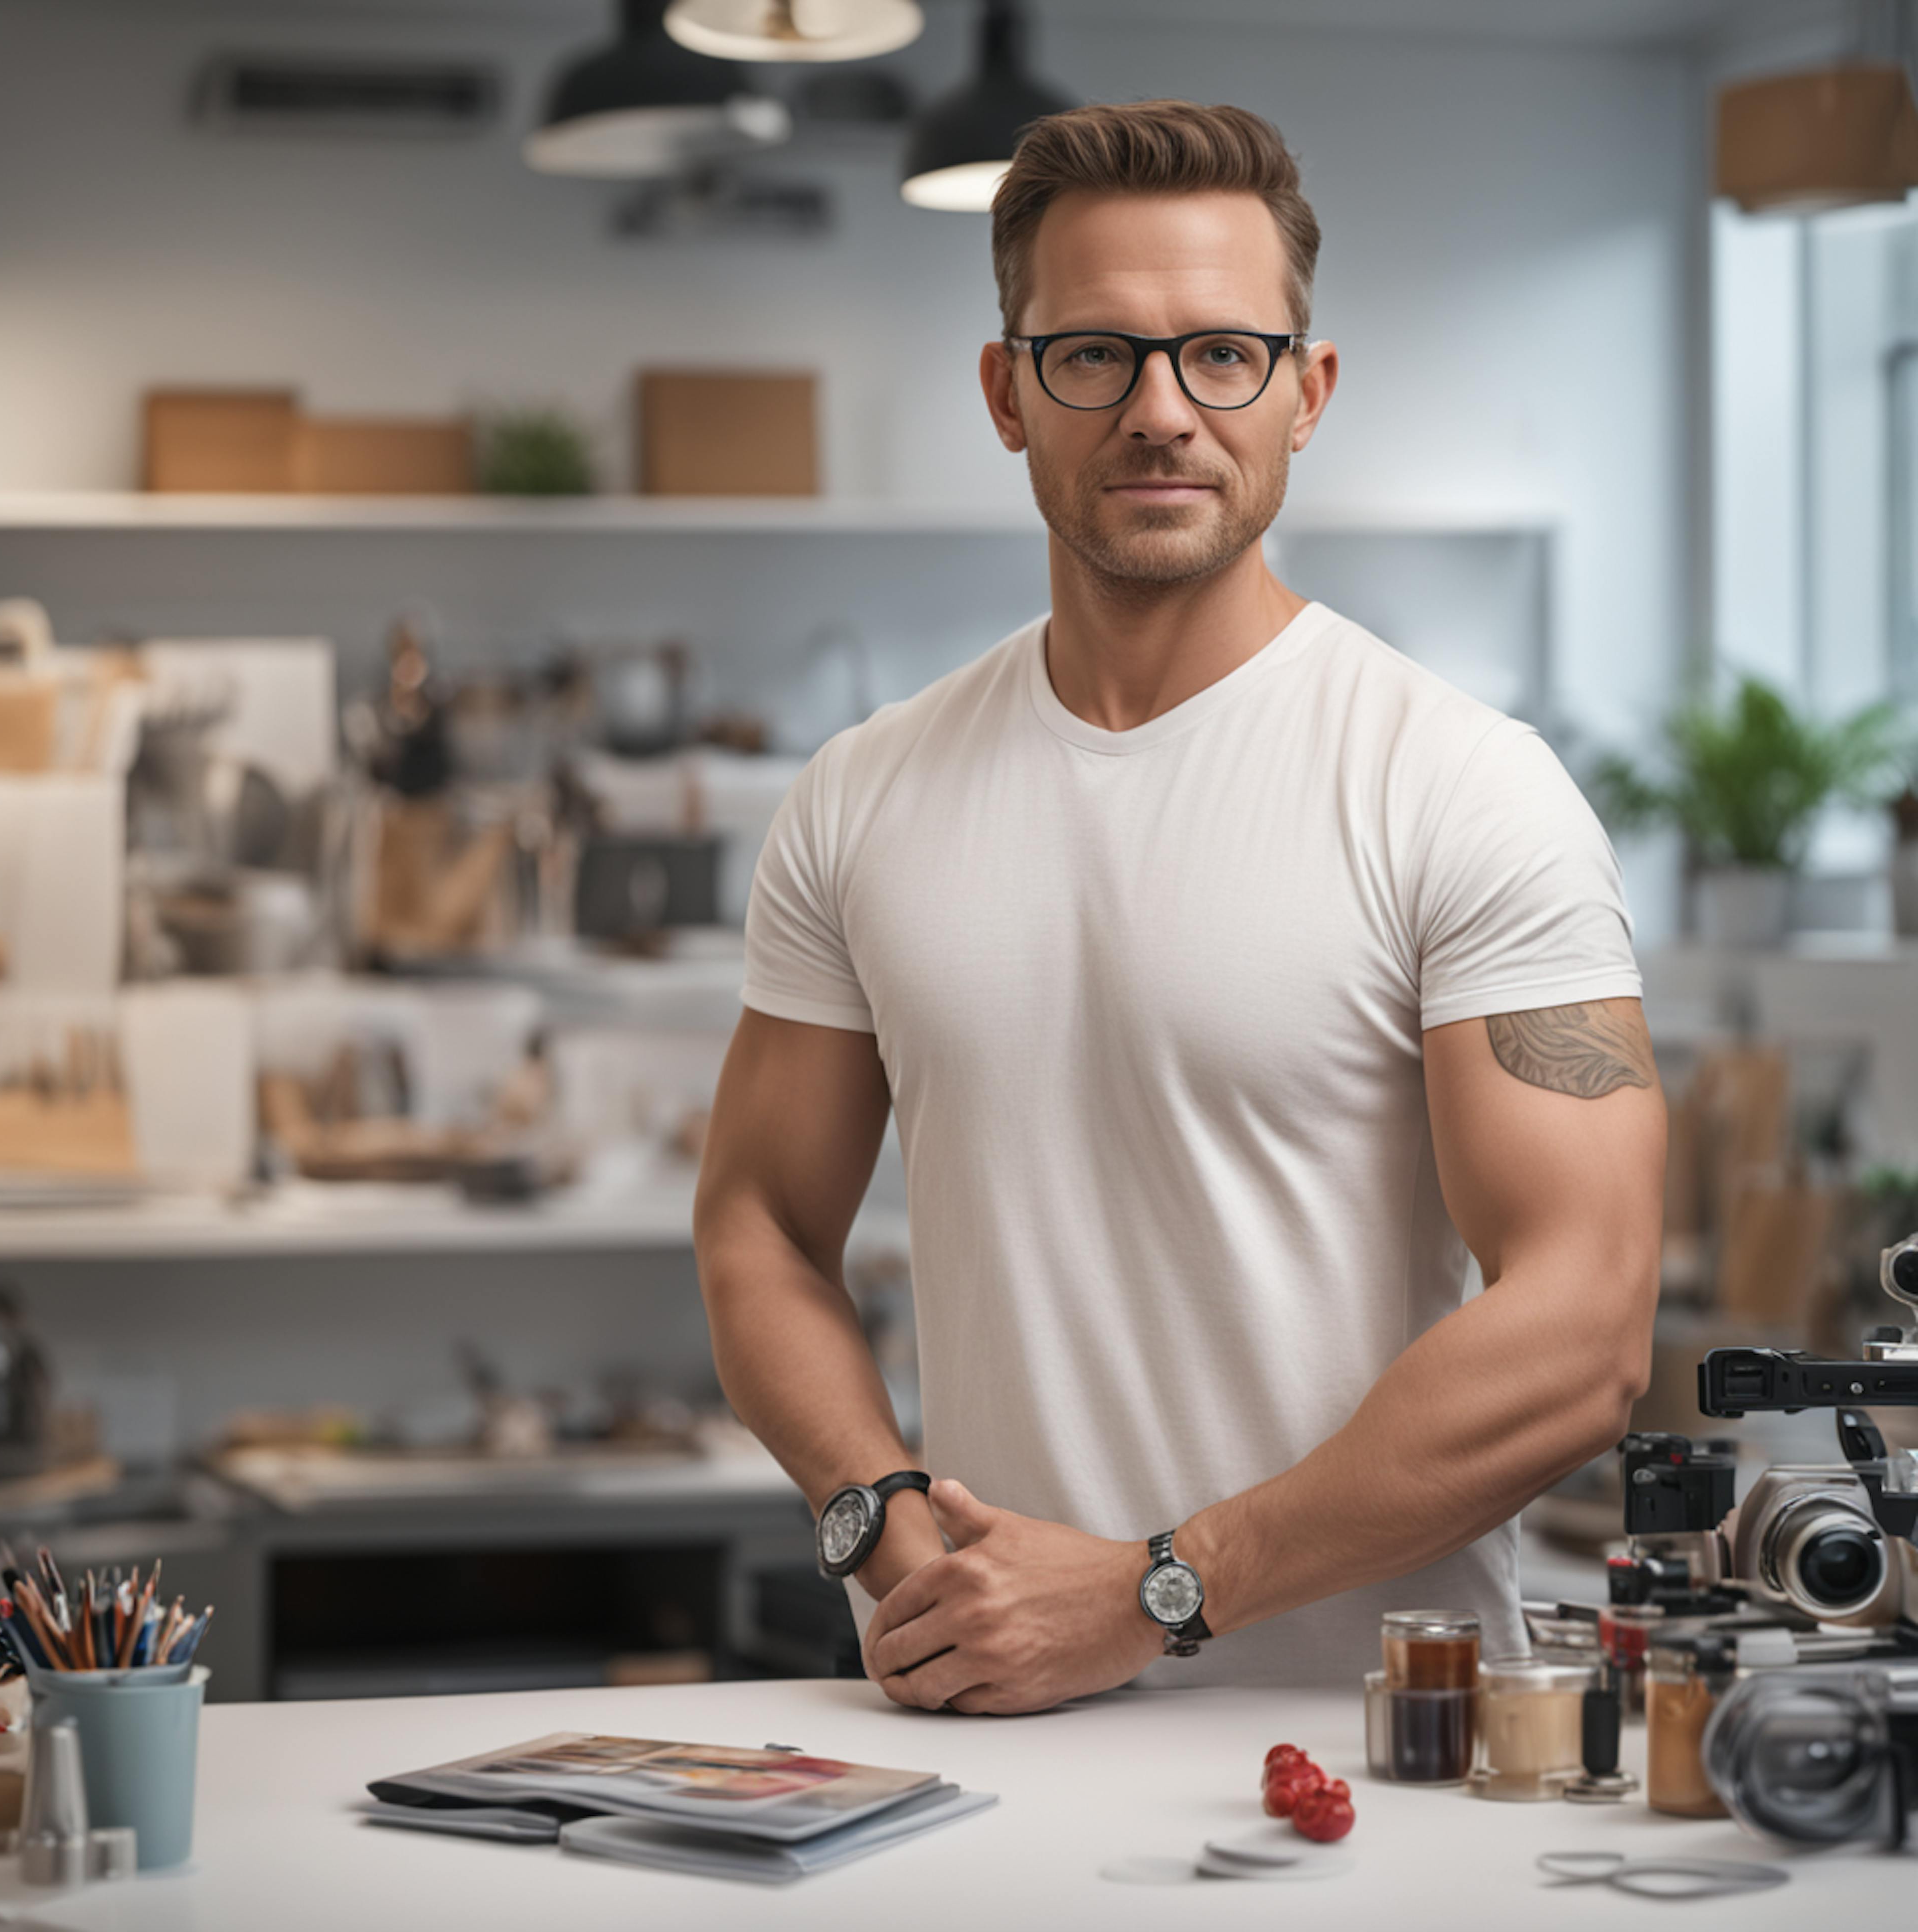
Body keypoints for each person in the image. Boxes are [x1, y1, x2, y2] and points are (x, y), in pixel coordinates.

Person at [693, 99, 1663, 1710]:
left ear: (1309, 392)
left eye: (1225, 354)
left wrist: (1161, 1589)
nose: (1163, 412)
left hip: (1385, 1752)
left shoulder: (1460, 787)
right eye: (1095, 357)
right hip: (991, 1731)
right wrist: (876, 1516)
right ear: (1009, 393)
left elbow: (1585, 1327)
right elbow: (760, 1226)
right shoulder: (864, 793)